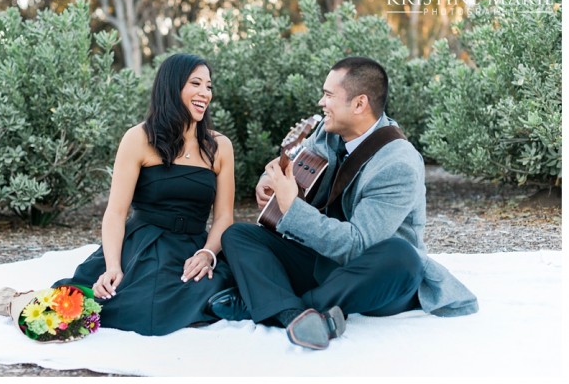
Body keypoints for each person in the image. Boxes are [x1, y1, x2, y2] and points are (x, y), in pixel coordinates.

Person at [208, 56, 478, 350]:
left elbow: (358, 246)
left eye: (328, 95)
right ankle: (295, 315)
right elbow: (296, 162)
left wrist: (291, 207)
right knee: (237, 235)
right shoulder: (328, 131)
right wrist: (269, 180)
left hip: (373, 276)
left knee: (402, 257)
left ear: (359, 104)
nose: (321, 102)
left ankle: (274, 305)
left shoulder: (398, 163)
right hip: (322, 259)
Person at [52, 53, 236, 336]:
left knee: (212, 285)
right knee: (123, 300)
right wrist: (113, 265)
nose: (205, 93)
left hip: (192, 246)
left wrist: (208, 252)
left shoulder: (220, 146)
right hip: (142, 241)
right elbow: (115, 212)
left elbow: (224, 216)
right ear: (172, 88)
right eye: (196, 84)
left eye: (209, 86)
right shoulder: (138, 138)